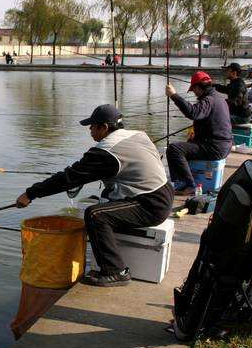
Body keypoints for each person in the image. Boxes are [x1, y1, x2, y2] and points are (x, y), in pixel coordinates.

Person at [16, 104, 173, 287]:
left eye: (92, 126)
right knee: (103, 200)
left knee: (95, 215)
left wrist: (30, 193)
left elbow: (68, 178)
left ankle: (115, 271)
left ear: (104, 127)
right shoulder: (137, 135)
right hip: (164, 191)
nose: (90, 131)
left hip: (151, 205)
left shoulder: (106, 151)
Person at [165, 71, 232, 195]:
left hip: (214, 148)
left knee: (174, 149)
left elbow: (193, 112)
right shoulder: (219, 98)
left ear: (197, 87)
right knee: (187, 144)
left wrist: (174, 95)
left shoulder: (209, 100)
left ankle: (188, 185)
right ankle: (184, 181)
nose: (194, 93)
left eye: (193, 90)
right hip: (224, 146)